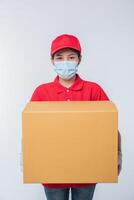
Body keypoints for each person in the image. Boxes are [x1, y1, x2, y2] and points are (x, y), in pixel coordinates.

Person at [30, 34, 122, 200]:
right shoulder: (41, 92)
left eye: (71, 57)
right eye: (60, 57)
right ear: (52, 61)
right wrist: (27, 155)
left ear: (79, 59)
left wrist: (116, 153)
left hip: (87, 170)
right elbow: (32, 129)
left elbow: (108, 126)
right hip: (52, 171)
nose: (65, 61)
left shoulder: (94, 90)